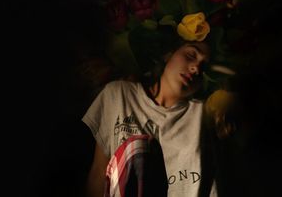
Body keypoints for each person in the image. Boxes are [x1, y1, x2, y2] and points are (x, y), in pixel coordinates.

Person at [81, 38, 221, 197]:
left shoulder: (205, 113)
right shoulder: (118, 94)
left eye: (204, 67)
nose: (196, 68)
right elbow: (99, 172)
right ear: (169, 54)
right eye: (191, 55)